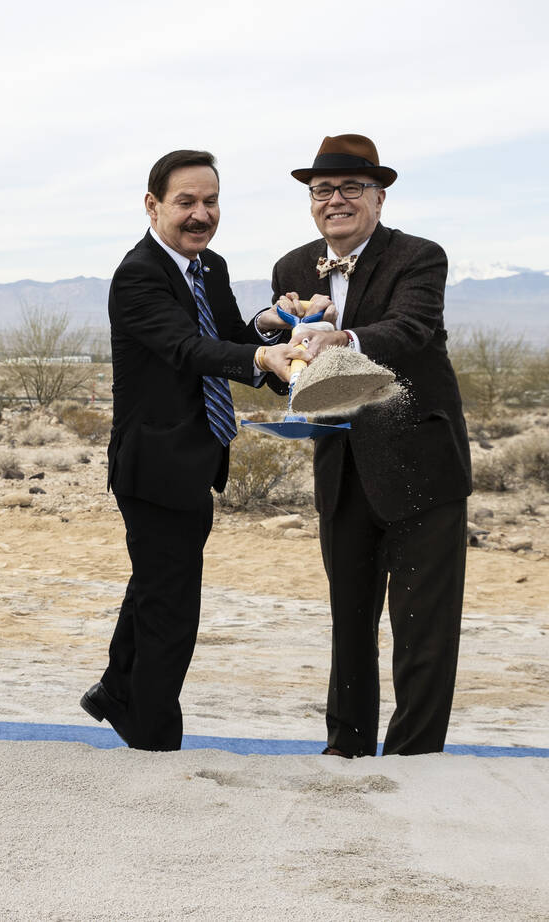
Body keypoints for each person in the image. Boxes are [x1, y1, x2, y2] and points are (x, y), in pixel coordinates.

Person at [80, 150, 295, 750]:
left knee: (157, 585)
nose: (201, 215)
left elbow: (228, 335)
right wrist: (256, 359)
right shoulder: (138, 274)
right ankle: (151, 738)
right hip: (152, 467)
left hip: (197, 459)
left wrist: (279, 329)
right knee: (171, 612)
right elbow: (186, 347)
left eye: (211, 202)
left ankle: (113, 689)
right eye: (186, 202)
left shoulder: (209, 266)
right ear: (153, 206)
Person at [271, 134, 471, 757]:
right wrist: (272, 326)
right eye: (322, 191)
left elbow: (410, 329)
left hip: (421, 463)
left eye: (351, 189)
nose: (336, 200)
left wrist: (344, 338)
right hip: (340, 462)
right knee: (349, 619)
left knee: (423, 629)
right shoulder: (294, 267)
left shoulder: (419, 257)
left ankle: (415, 758)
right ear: (311, 202)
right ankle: (346, 749)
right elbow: (284, 336)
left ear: (378, 198)